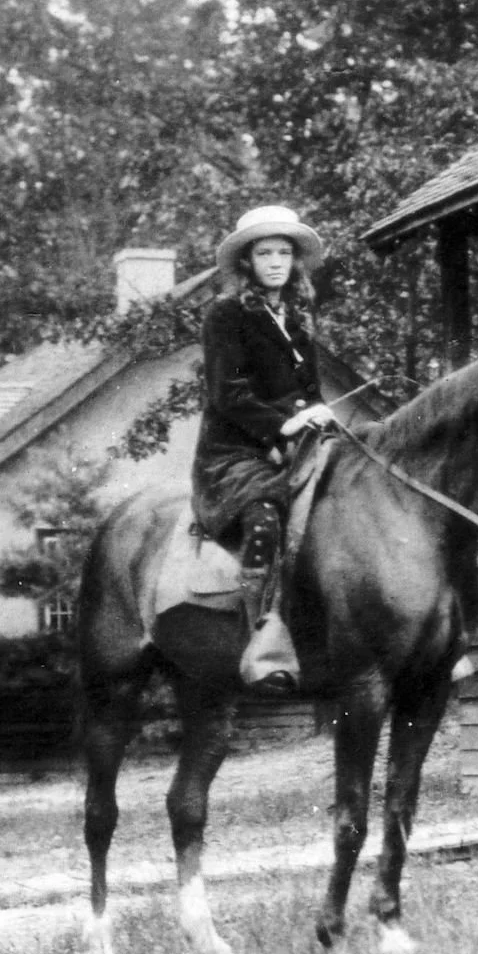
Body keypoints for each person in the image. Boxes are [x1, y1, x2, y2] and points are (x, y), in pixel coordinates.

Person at [192, 205, 336, 690]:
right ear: (247, 262)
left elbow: (311, 390)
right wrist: (285, 426)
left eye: (284, 253)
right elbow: (228, 394)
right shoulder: (225, 315)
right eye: (264, 252)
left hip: (297, 440)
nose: (275, 261)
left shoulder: (297, 317)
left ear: (295, 262)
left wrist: (321, 414)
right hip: (234, 452)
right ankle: (265, 641)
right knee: (265, 517)